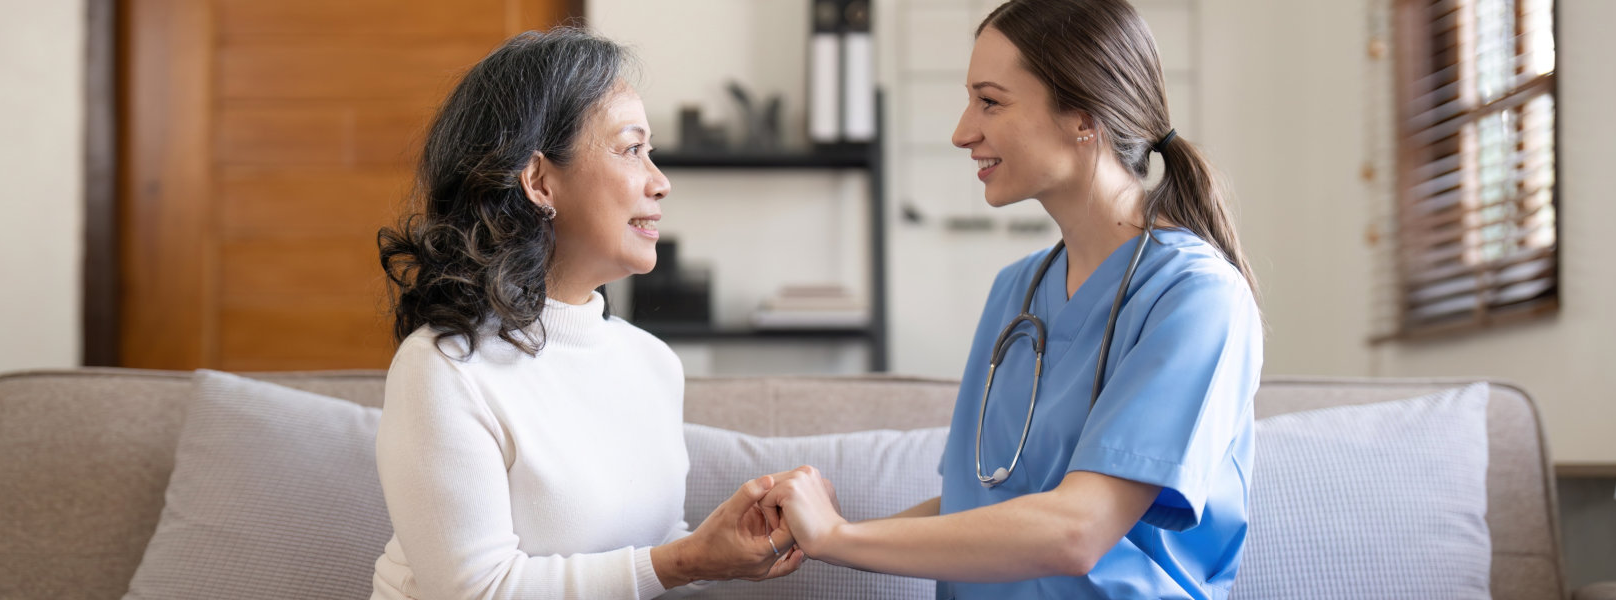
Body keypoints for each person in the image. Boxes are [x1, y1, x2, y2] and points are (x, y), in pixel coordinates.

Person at [757, 0, 1264, 598]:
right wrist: (808, 535)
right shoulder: (1016, 293)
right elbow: (981, 505)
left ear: (1083, 115)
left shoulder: (1196, 297)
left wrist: (837, 538)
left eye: (990, 101)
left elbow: (1077, 530)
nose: (962, 131)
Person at [371, 28, 802, 600]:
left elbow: (653, 556)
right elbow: (477, 591)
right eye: (631, 149)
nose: (660, 181)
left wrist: (719, 551)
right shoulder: (445, 367)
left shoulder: (652, 363)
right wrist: (685, 560)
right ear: (540, 180)